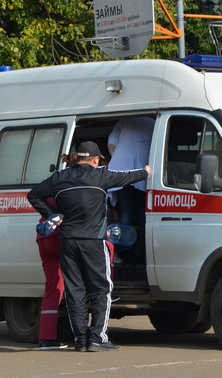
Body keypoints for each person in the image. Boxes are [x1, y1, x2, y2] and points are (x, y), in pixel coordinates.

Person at [27, 141, 150, 352]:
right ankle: (97, 338)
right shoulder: (101, 175)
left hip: (68, 242)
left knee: (74, 291)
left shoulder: (60, 177)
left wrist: (53, 215)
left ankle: (81, 340)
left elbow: (33, 194)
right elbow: (128, 177)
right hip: (94, 241)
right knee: (101, 289)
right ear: (95, 160)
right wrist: (146, 171)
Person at [34, 153, 78, 350]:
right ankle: (82, 334)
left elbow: (37, 197)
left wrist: (51, 216)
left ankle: (47, 338)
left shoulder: (57, 179)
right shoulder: (75, 182)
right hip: (61, 237)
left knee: (53, 289)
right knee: (80, 282)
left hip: (44, 236)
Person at [107, 117, 154, 263]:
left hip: (120, 167)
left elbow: (112, 142)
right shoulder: (154, 121)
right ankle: (144, 249)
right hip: (142, 166)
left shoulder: (124, 121)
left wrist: (116, 157)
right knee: (141, 212)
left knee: (126, 211)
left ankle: (128, 249)